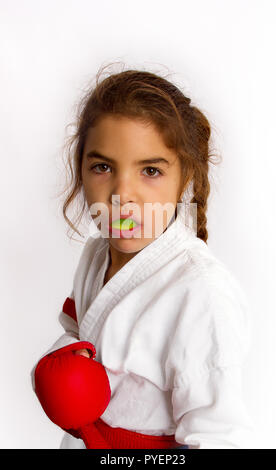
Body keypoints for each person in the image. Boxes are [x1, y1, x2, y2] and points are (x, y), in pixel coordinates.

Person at [31, 63, 255, 449]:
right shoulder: (96, 254)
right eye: (102, 167)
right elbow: (77, 329)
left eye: (150, 170)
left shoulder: (201, 294)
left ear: (186, 178)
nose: (122, 194)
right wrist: (63, 365)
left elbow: (221, 438)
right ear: (80, 169)